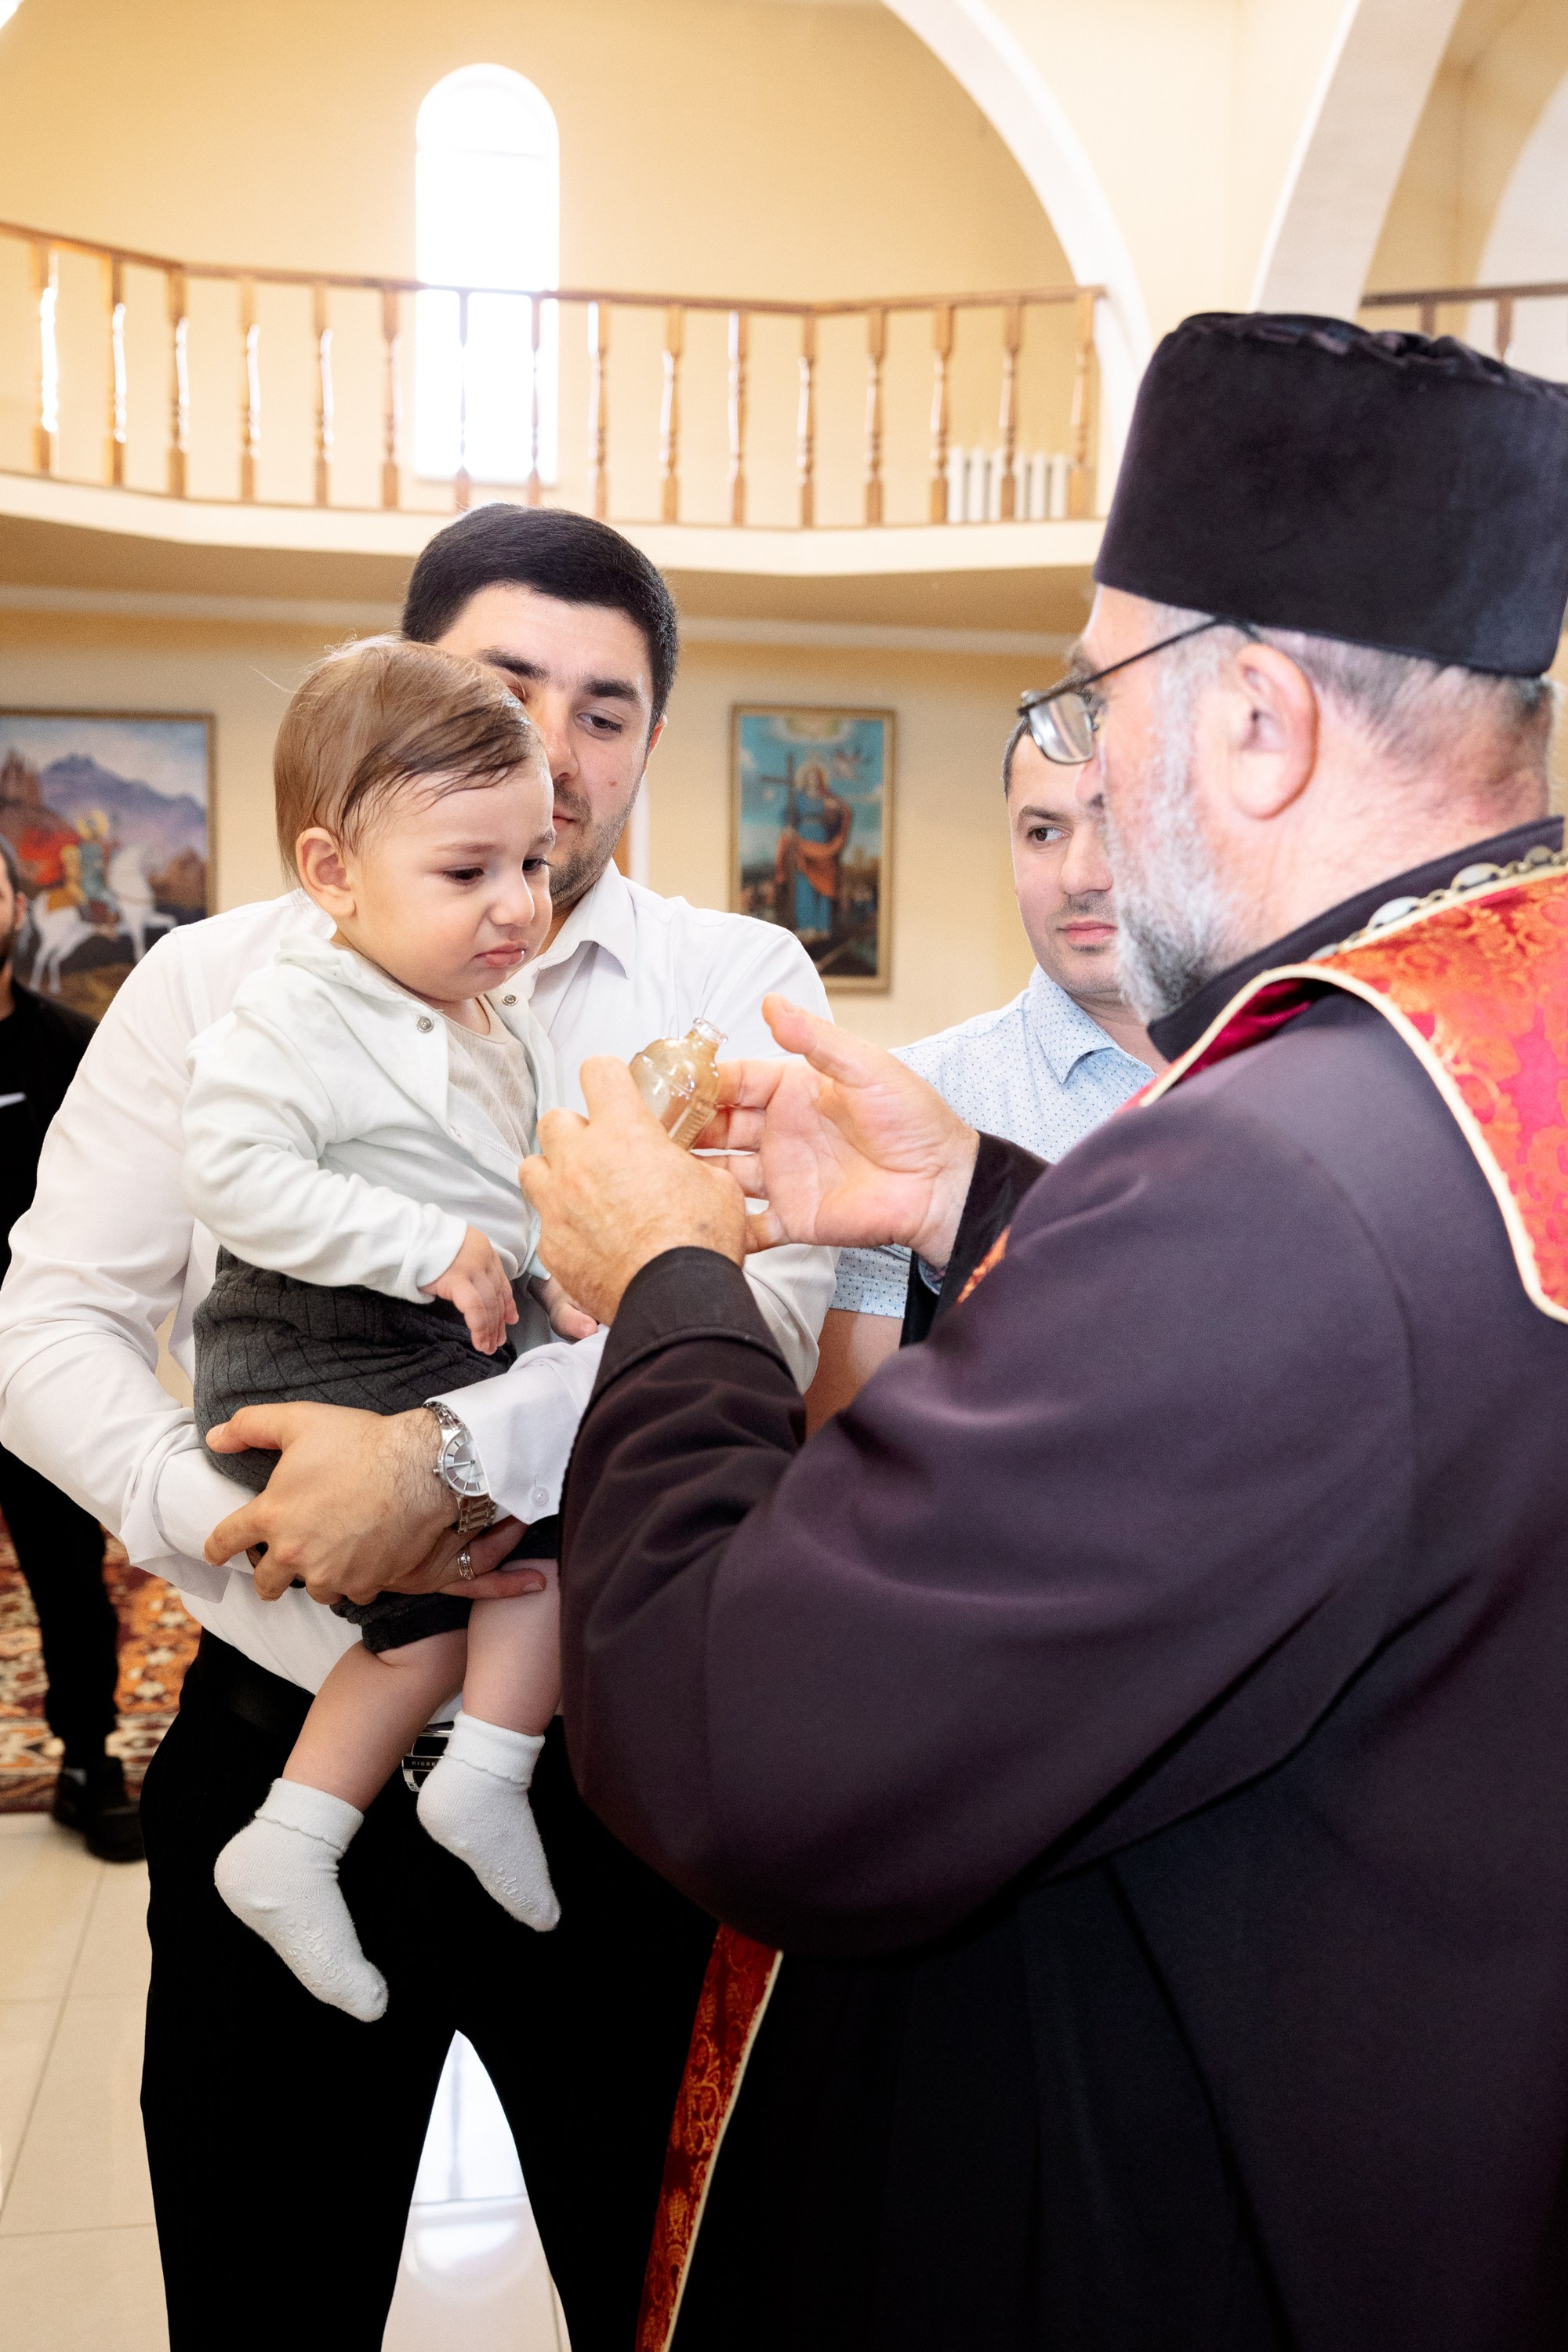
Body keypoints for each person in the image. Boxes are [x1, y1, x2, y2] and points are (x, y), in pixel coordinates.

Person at [519, 314, 1568, 2350]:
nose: (1083, 766)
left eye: (1101, 700)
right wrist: (973, 1202)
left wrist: (671, 1283)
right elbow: (1371, 1400)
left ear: (1256, 719)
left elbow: (762, 1759)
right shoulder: (1473, 1039)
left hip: (1182, 2210)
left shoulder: (1284, 1168)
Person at [0, 505, 834, 2352]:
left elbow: (754, 1318)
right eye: (502, 681)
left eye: (605, 708)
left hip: (620, 1765)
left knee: (673, 2282)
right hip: (281, 1707)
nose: (554, 738)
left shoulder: (721, 982)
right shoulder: (214, 987)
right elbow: (49, 1314)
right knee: (262, 2283)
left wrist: (446, 1460)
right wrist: (234, 1526)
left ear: (647, 742)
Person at [190, 639, 593, 2019]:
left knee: (509, 1564)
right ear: (330, 875)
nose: (517, 906)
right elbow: (236, 1177)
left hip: (427, 1342)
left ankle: (320, 1832)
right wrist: (433, 1251)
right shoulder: (297, 1009)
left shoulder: (491, 1013)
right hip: (313, 1341)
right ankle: (464, 1788)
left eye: (533, 865)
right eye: (467, 873)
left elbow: (503, 1190)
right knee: (518, 1546)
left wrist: (560, 1270)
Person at [811, 714, 1158, 1425]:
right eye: (1043, 832)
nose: (1078, 875)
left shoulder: (1310, 1079)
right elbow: (847, 1442)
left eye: (1119, 824)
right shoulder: (915, 1106)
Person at [0, 833, 140, 1861]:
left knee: (68, 1569)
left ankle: (89, 1761)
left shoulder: (73, 1046)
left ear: (17, 902)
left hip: (37, 1364)